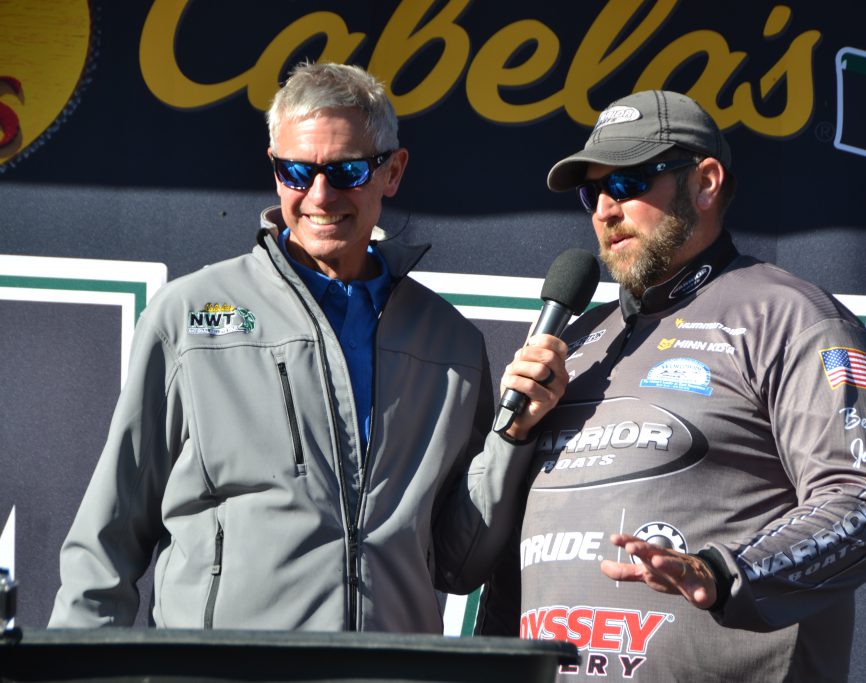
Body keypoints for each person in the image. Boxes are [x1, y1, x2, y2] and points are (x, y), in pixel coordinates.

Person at [48, 62, 567, 632]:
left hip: (387, 672)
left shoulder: (451, 342)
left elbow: (457, 563)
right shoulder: (188, 316)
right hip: (221, 671)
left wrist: (512, 437)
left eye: (346, 171)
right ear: (275, 170)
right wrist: (77, 663)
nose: (320, 195)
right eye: (297, 171)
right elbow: (108, 536)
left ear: (392, 172)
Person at [513, 90, 866, 681]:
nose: (605, 210)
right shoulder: (577, 341)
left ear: (705, 182)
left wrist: (723, 573)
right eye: (592, 193)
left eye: (627, 182)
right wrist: (509, 438)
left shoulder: (794, 319)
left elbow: (864, 504)